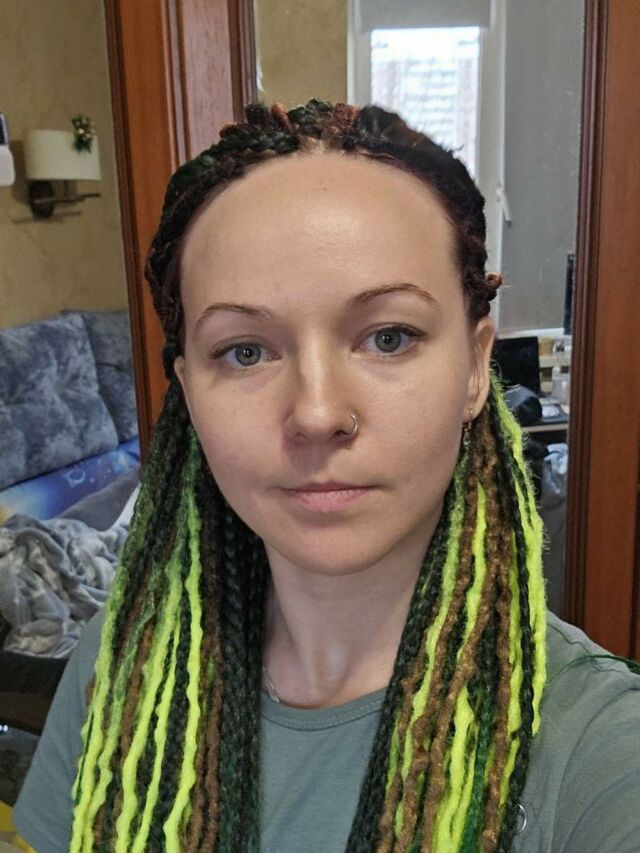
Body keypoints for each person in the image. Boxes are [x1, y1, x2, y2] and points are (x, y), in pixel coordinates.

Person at [13, 100, 640, 853]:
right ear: (187, 391)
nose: (316, 412)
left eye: (388, 337)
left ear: (476, 367)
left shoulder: (597, 748)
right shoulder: (121, 665)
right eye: (245, 351)